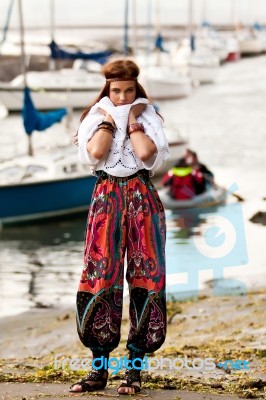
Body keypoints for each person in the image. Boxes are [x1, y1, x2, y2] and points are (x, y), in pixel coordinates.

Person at [69, 59, 169, 395]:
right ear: (107, 90)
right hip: (106, 198)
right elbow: (95, 153)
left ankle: (134, 371)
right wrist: (111, 121)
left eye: (129, 90)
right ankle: (98, 370)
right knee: (100, 278)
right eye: (116, 91)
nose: (123, 97)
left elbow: (145, 153)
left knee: (147, 279)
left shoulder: (149, 117)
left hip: (143, 197)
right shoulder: (96, 118)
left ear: (136, 89)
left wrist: (136, 121)